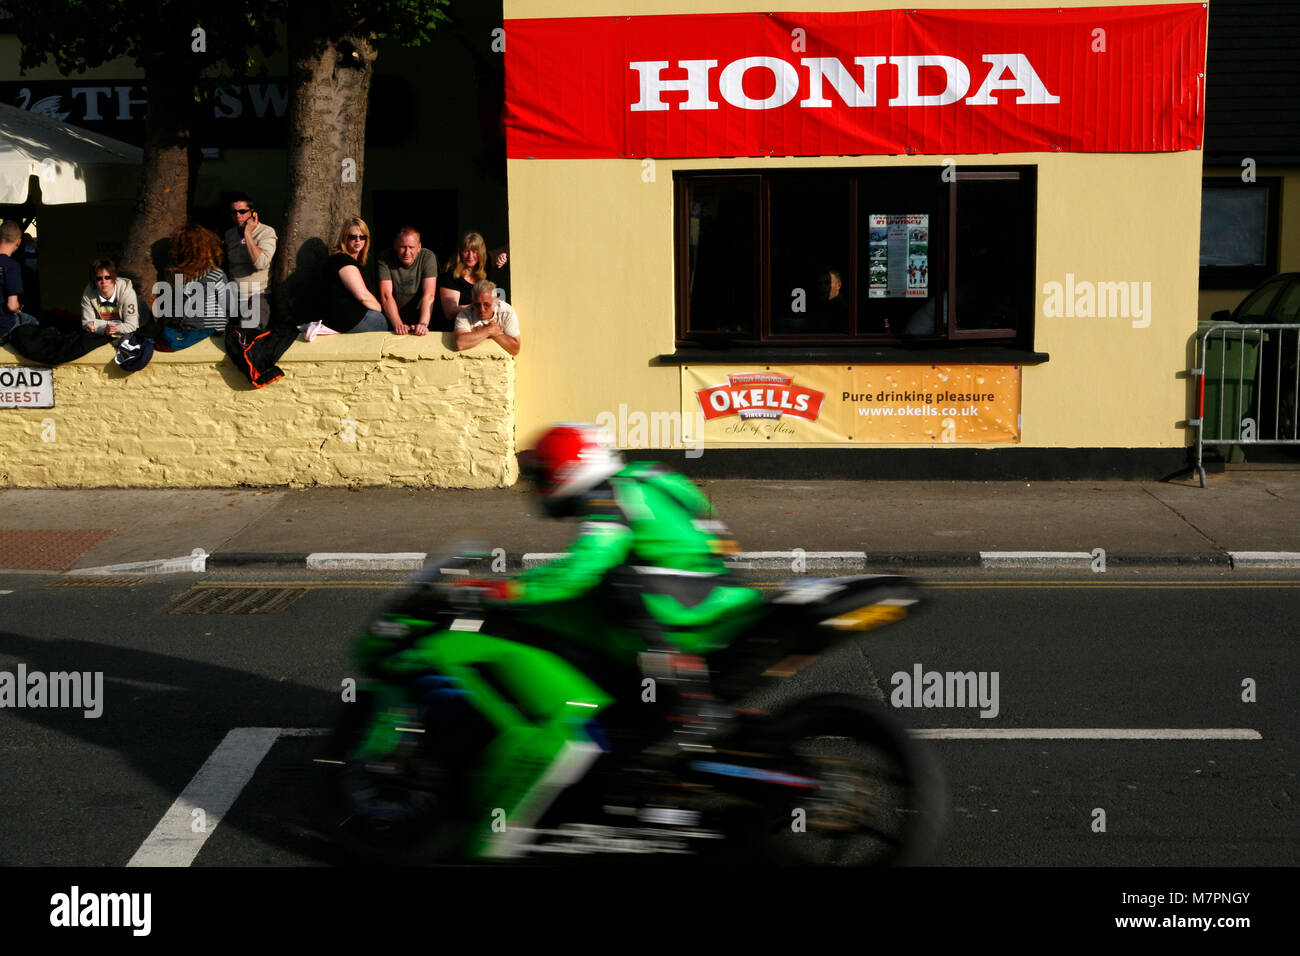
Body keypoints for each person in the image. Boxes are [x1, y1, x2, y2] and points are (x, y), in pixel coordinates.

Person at [441, 424, 766, 835]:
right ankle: (652, 717)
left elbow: (579, 571)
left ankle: (681, 705)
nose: (537, 487)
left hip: (688, 607)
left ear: (567, 472)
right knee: (605, 592)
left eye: (543, 475)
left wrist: (503, 590)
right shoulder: (651, 475)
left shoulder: (608, 497)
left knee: (614, 585)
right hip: (729, 596)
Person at [158, 224, 234, 347]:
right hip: (210, 332)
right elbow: (228, 305)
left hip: (177, 332)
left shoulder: (171, 272)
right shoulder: (216, 274)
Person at [224, 192, 277, 329]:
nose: (238, 215)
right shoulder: (230, 234)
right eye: (234, 212)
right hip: (233, 295)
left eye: (242, 211)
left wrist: (248, 233)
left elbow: (260, 263)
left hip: (257, 295)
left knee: (249, 332)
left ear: (252, 213)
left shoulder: (266, 232)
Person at [376, 226, 439, 335]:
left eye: (411, 247)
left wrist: (423, 324)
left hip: (422, 314)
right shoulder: (385, 258)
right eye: (403, 247)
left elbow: (429, 294)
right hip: (393, 316)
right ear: (395, 245)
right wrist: (398, 325)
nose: (407, 252)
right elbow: (386, 295)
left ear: (419, 247)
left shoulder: (427, 257)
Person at [454, 280, 520, 355]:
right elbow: (460, 343)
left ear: (495, 302)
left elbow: (515, 349)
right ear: (472, 302)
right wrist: (489, 330)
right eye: (477, 305)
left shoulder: (507, 312)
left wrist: (479, 332)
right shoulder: (465, 314)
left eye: (486, 304)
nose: (482, 309)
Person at [0, 220, 40, 339]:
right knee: (36, 324)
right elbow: (12, 306)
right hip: (4, 324)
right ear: (18, 242)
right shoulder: (12, 266)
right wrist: (18, 308)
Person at [439, 232, 490, 324]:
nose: (470, 256)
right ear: (460, 253)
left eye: (475, 252)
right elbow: (450, 312)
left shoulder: (484, 275)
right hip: (456, 330)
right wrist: (480, 307)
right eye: (466, 251)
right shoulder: (450, 276)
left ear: (481, 253)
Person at [79, 259, 140, 337]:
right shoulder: (88, 293)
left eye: (107, 277)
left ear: (114, 277)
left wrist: (97, 325)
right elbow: (86, 324)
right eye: (99, 278)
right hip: (104, 335)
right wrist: (108, 328)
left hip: (137, 330)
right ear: (94, 281)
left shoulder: (127, 292)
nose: (104, 281)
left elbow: (132, 326)